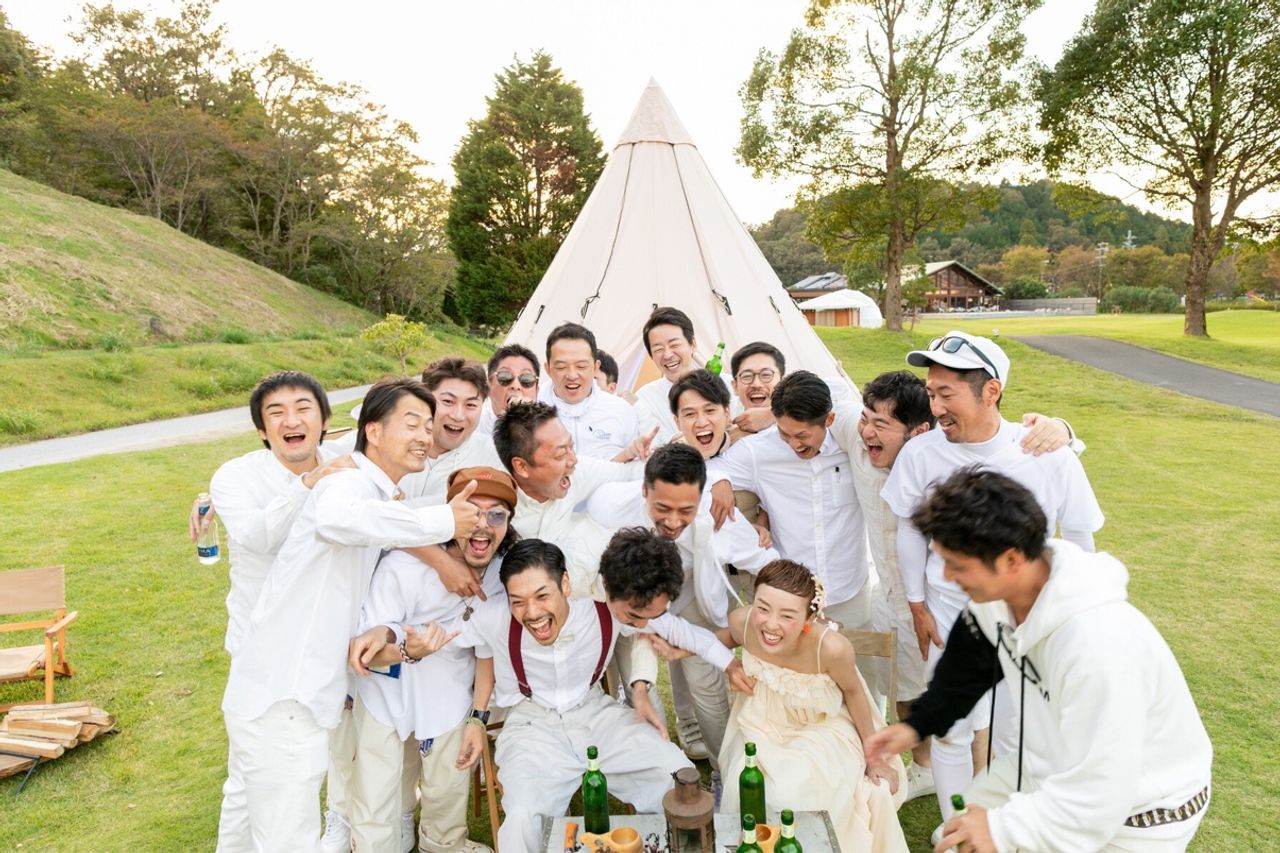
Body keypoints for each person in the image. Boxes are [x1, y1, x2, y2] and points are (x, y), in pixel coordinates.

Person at [866, 469, 1212, 853]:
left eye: (958, 566)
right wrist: (917, 727)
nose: (946, 577)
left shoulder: (1098, 647)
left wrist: (1001, 829)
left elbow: (1101, 791)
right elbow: (964, 671)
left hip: (1141, 816)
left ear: (1011, 560)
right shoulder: (998, 601)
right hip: (1043, 769)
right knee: (967, 825)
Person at [219, 378, 480, 851]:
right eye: (412, 423)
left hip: (289, 690)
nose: (425, 435)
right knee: (288, 839)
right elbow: (337, 519)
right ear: (373, 431)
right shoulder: (347, 482)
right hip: (286, 695)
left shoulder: (371, 490)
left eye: (428, 425)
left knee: (245, 820)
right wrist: (442, 520)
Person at [881, 331, 1103, 833]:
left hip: (1029, 620)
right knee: (952, 731)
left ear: (991, 391)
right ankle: (958, 832)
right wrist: (917, 603)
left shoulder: (1047, 451)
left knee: (1016, 736)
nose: (935, 407)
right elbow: (909, 530)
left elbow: (1080, 534)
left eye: (946, 394)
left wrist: (1075, 612)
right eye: (931, 393)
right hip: (947, 614)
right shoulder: (920, 454)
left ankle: (1005, 830)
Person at [443, 537, 749, 851]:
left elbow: (686, 633)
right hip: (531, 726)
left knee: (674, 772)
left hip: (597, 713)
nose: (531, 612)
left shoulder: (610, 607)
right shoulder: (494, 616)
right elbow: (443, 637)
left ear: (565, 584)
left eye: (542, 595)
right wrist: (474, 717)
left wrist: (730, 665)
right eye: (517, 601)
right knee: (522, 818)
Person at [200, 371, 353, 851]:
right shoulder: (235, 477)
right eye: (277, 413)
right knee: (274, 783)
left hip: (319, 650)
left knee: (249, 780)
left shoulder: (346, 459)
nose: (292, 420)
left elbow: (393, 429)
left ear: (324, 419)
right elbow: (257, 535)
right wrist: (309, 483)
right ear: (262, 430)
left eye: (304, 408)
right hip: (264, 657)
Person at [346, 467, 517, 853]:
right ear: (451, 515)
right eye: (472, 512)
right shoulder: (403, 567)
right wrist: (407, 649)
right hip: (386, 686)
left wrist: (477, 718)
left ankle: (443, 845)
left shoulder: (502, 574)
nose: (483, 525)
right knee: (375, 796)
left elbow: (486, 651)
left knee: (447, 786)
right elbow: (370, 651)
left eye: (496, 515)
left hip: (449, 689)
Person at [586, 444, 778, 768]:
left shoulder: (719, 515)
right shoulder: (607, 505)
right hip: (621, 601)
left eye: (686, 511)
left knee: (706, 685)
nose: (673, 521)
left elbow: (767, 563)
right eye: (662, 508)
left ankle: (722, 768)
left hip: (689, 596)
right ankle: (656, 765)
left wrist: (803, 599)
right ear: (644, 491)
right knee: (635, 685)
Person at [707, 559, 909, 850]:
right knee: (749, 782)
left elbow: (854, 693)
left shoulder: (831, 648)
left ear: (809, 619)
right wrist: (726, 664)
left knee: (796, 792)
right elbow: (716, 642)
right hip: (760, 723)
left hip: (820, 727)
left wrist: (873, 757)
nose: (771, 624)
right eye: (763, 608)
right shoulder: (743, 622)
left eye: (787, 615)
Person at [711, 371, 874, 633]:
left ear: (829, 420)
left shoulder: (850, 446)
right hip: (791, 597)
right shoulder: (758, 451)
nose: (793, 444)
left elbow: (839, 386)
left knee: (861, 658)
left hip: (850, 592)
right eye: (784, 434)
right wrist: (720, 479)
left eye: (802, 435)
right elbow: (707, 467)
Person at [493, 401, 645, 598]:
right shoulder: (494, 509)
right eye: (560, 455)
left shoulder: (576, 472)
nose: (573, 461)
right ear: (521, 467)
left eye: (571, 447)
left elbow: (627, 473)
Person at [537, 322, 640, 459]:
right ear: (548, 369)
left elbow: (635, 464)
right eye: (561, 367)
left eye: (581, 366)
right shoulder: (531, 410)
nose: (572, 375)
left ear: (595, 367)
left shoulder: (622, 411)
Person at [476, 344, 540, 439]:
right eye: (505, 377)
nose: (516, 386)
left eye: (526, 379)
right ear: (488, 387)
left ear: (537, 390)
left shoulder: (549, 433)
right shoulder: (472, 427)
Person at [728, 341, 786, 437]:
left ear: (782, 382)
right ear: (735, 386)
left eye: (766, 375)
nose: (756, 384)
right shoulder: (725, 411)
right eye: (747, 376)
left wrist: (772, 414)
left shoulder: (799, 416)